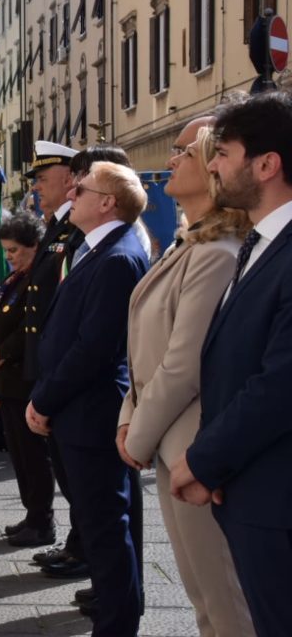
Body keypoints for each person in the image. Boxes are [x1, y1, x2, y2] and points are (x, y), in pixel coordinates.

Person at [119, 117, 253, 636]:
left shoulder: (218, 253)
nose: (170, 160)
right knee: (203, 598)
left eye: (183, 151)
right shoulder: (189, 245)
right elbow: (143, 349)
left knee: (225, 603)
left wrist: (137, 434)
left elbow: (184, 362)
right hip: (168, 441)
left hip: (192, 445)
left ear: (215, 168)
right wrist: (129, 417)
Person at [170, 93, 292, 636]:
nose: (213, 165)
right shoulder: (260, 241)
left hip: (276, 498)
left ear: (266, 165)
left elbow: (279, 384)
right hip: (250, 487)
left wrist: (204, 461)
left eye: (223, 153)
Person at [27, 161, 149, 636]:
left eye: (82, 189)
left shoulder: (117, 257)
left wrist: (44, 399)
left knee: (105, 527)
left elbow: (94, 348)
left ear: (107, 203)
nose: (71, 193)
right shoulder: (97, 248)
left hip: (90, 409)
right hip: (75, 407)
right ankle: (113, 609)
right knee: (98, 523)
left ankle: (116, 624)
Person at [20, 141, 87, 578]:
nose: (37, 188)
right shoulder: (57, 227)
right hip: (47, 362)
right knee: (65, 467)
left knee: (79, 474)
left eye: (43, 179)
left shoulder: (74, 229)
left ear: (69, 179)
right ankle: (78, 542)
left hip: (64, 367)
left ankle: (83, 547)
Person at [0, 212, 54, 547]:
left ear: (34, 246)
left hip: (23, 377)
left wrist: (1, 352)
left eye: (14, 250)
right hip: (7, 379)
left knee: (32, 455)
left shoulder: (40, 277)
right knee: (19, 454)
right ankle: (32, 513)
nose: (9, 257)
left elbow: (31, 328)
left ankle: (41, 521)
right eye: (6, 251)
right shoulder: (16, 279)